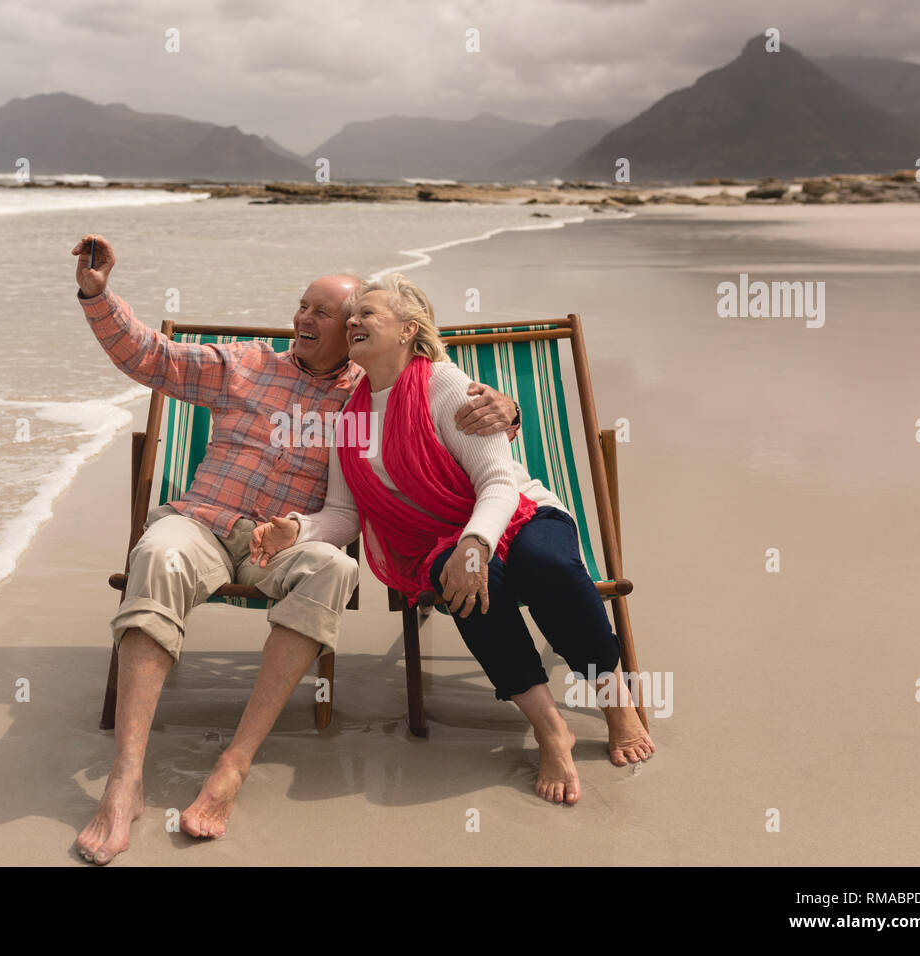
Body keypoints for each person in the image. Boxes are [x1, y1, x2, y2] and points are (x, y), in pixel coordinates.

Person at [71, 238, 523, 862]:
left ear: (359, 328)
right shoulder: (245, 366)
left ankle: (234, 763)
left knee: (335, 570)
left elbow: (443, 414)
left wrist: (511, 409)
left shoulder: (369, 395)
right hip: (205, 522)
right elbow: (150, 357)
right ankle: (124, 780)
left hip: (287, 541)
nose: (302, 320)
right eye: (301, 306)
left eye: (324, 312)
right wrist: (98, 295)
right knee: (158, 552)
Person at [250, 274, 655, 806]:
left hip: (518, 514)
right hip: (435, 542)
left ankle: (615, 702)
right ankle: (550, 727)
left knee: (544, 564)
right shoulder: (348, 415)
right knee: (463, 585)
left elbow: (498, 482)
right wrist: (299, 529)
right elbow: (346, 515)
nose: (353, 322)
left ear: (408, 331)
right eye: (352, 316)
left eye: (367, 314)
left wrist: (474, 545)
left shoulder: (443, 383)